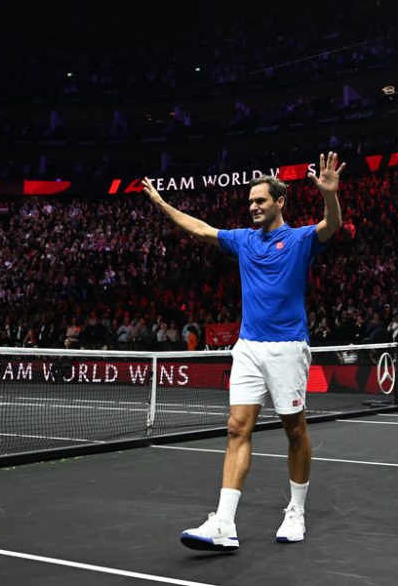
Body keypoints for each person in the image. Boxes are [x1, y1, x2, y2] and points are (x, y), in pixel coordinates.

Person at [142, 152, 345, 552]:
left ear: (280, 202)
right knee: (237, 427)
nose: (253, 207)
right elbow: (200, 229)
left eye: (260, 201)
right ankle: (224, 522)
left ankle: (296, 510)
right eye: (250, 202)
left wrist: (330, 195)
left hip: (288, 347)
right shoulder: (244, 240)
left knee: (295, 429)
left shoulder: (301, 238)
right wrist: (163, 205)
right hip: (248, 346)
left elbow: (331, 225)